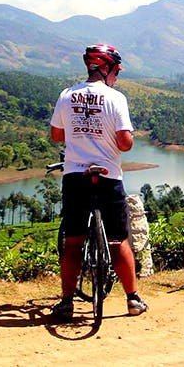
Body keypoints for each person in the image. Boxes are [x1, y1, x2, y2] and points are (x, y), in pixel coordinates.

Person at [48, 43, 148, 321]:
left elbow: (57, 136)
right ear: (105, 68)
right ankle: (133, 300)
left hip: (75, 177)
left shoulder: (67, 95)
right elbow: (125, 144)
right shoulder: (116, 98)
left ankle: (67, 302)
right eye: (116, 70)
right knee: (119, 241)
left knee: (73, 243)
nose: (117, 75)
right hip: (108, 177)